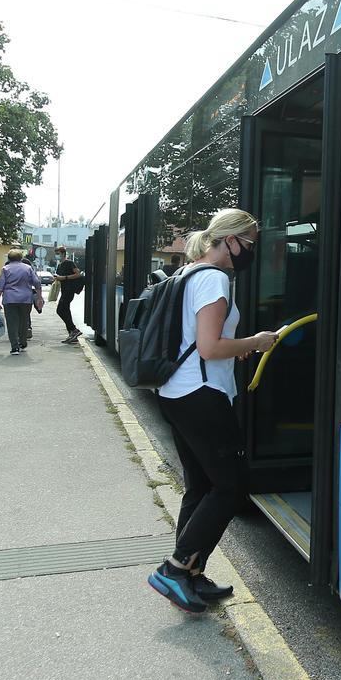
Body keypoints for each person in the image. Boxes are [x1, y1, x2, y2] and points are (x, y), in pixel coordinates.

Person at [147, 208, 279, 614]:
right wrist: (254, 342)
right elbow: (209, 347)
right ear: (232, 240)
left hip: (177, 391)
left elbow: (203, 343)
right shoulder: (215, 279)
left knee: (201, 486)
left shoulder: (187, 273)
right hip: (201, 395)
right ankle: (174, 568)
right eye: (251, 243)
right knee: (231, 485)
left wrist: (233, 349)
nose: (251, 252)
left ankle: (190, 572)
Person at [0, 248, 42, 355]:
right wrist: (39, 298)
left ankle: (14, 347)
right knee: (24, 321)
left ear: (9, 258)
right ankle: (23, 342)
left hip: (10, 299)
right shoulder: (28, 268)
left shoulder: (5, 269)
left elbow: (0, 286)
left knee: (12, 323)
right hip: (25, 299)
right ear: (21, 258)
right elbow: (37, 283)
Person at [51, 245, 84, 343]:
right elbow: (59, 276)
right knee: (65, 310)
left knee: (60, 310)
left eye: (58, 254)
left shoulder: (69, 263)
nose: (57, 256)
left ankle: (73, 329)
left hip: (70, 290)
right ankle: (72, 333)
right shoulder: (60, 265)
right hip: (64, 290)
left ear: (63, 254)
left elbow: (77, 274)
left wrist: (64, 278)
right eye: (56, 254)